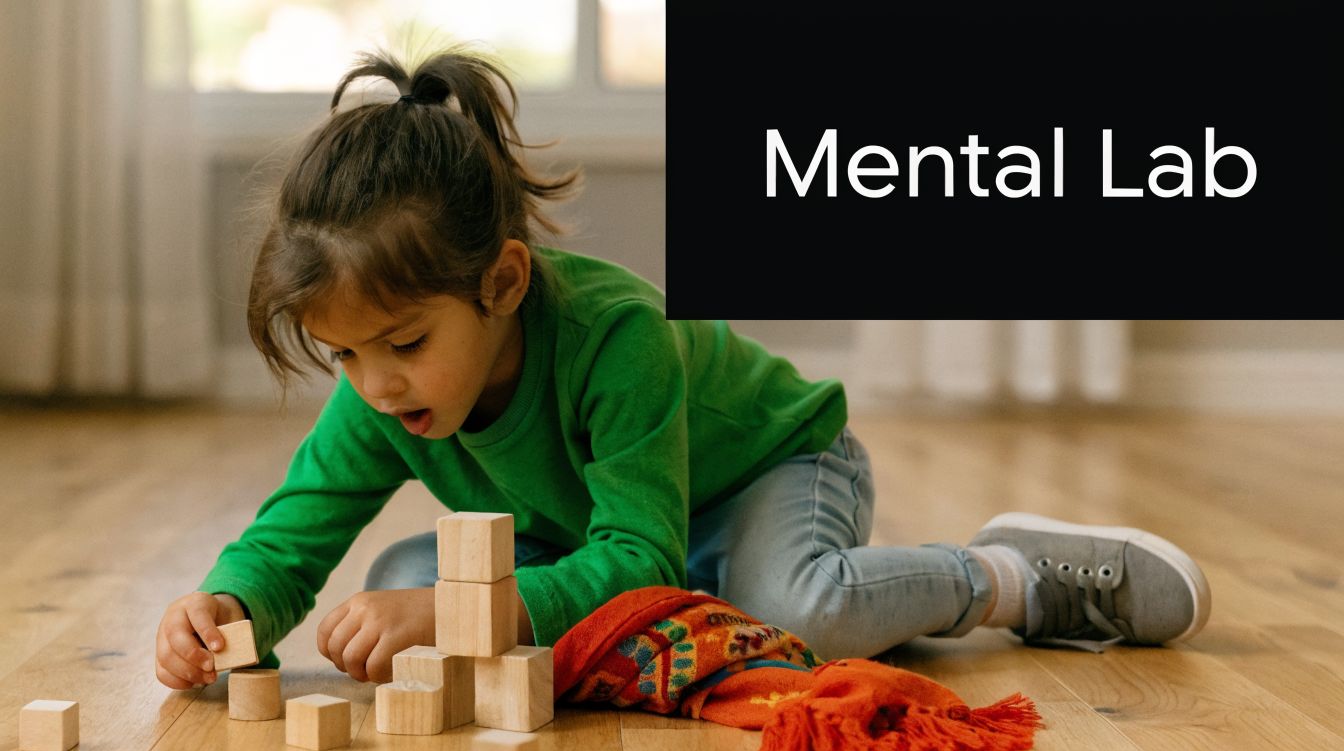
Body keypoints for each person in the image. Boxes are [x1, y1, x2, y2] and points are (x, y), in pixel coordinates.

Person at [153, 47, 1210, 690]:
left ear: (505, 282)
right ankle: (707, 607)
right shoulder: (378, 393)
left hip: (772, 469)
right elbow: (295, 536)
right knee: (400, 587)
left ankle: (1013, 580)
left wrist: (510, 609)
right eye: (343, 356)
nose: (376, 386)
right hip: (618, 523)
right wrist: (227, 606)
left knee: (799, 612)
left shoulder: (616, 336)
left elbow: (641, 544)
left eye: (405, 345)